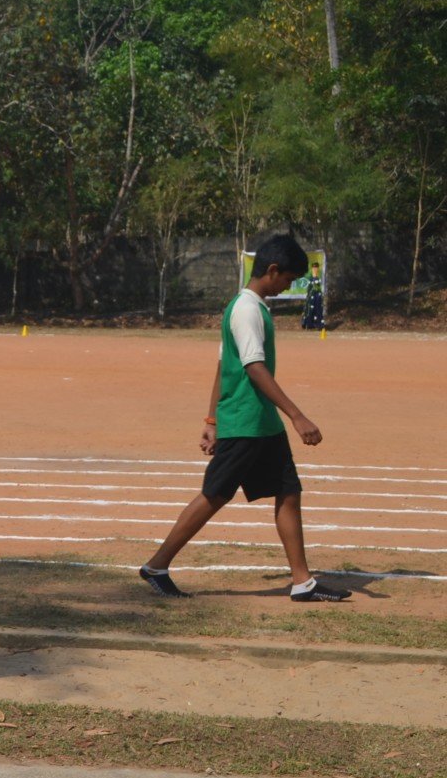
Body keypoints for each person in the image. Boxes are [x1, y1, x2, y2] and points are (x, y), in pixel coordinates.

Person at [140, 234, 349, 602]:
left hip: (261, 422)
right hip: (247, 422)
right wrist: (297, 417)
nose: (287, 286)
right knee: (215, 494)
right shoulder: (247, 309)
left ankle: (303, 582)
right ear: (272, 270)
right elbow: (251, 368)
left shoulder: (250, 307)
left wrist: (210, 419)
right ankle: (156, 565)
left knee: (288, 491)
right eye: (287, 279)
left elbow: (224, 366)